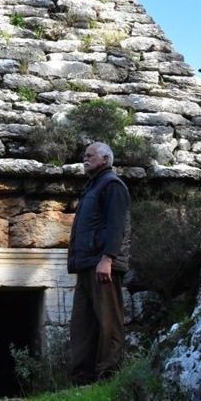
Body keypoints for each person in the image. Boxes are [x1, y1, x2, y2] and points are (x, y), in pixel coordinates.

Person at [67, 141, 131, 385]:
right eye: (84, 155)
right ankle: (82, 381)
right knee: (82, 325)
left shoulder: (112, 185)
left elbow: (117, 226)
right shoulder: (91, 187)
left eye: (90, 155)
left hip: (103, 265)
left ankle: (108, 378)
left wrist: (108, 259)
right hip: (86, 266)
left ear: (105, 159)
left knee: (108, 324)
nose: (85, 158)